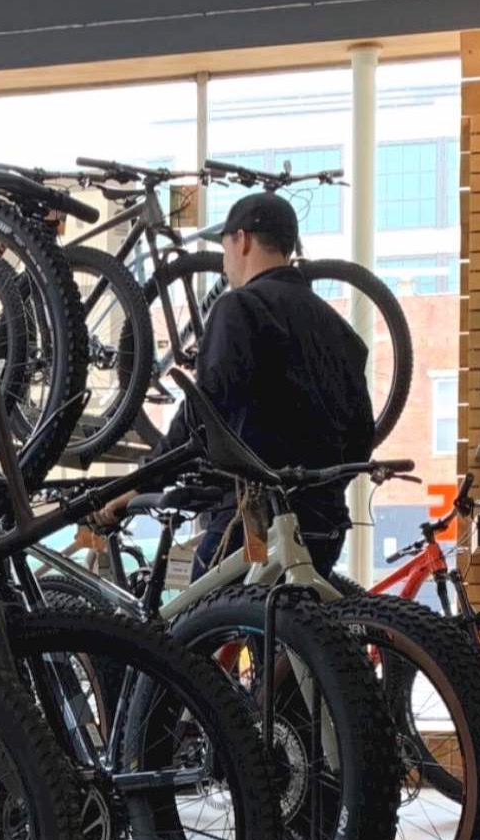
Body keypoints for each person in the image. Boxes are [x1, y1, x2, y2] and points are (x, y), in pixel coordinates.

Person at [96, 190, 376, 576]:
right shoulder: (340, 330)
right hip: (325, 524)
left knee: (205, 614)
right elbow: (361, 435)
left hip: (255, 521)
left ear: (241, 240)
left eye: (225, 245)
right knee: (293, 614)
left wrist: (143, 482)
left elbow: (205, 410)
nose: (225, 260)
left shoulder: (239, 307)